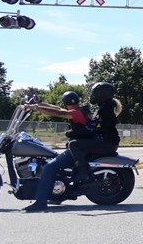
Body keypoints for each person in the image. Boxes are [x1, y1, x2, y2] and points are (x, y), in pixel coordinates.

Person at [24, 82, 123, 212]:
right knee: (64, 152)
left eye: (94, 93)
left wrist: (36, 108)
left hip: (103, 144)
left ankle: (41, 201)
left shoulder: (100, 110)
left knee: (49, 167)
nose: (92, 95)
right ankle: (56, 194)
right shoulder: (98, 108)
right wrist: (40, 104)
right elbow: (59, 109)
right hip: (100, 142)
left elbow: (59, 112)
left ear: (101, 95)